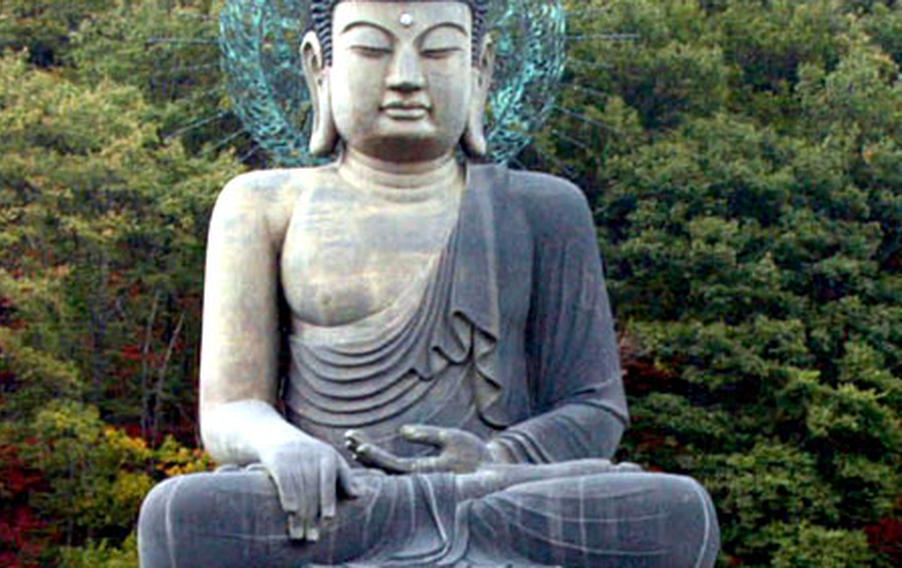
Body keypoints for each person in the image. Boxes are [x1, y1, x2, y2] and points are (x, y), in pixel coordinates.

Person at [137, 1, 720, 566]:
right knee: (178, 514)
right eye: (372, 49)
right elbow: (231, 406)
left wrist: (495, 457)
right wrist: (282, 445)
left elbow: (594, 409)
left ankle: (449, 516)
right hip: (338, 501)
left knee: (678, 510)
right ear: (320, 68)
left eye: (439, 50)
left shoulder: (544, 208)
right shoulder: (262, 204)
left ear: (481, 69)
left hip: (497, 490)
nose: (406, 78)